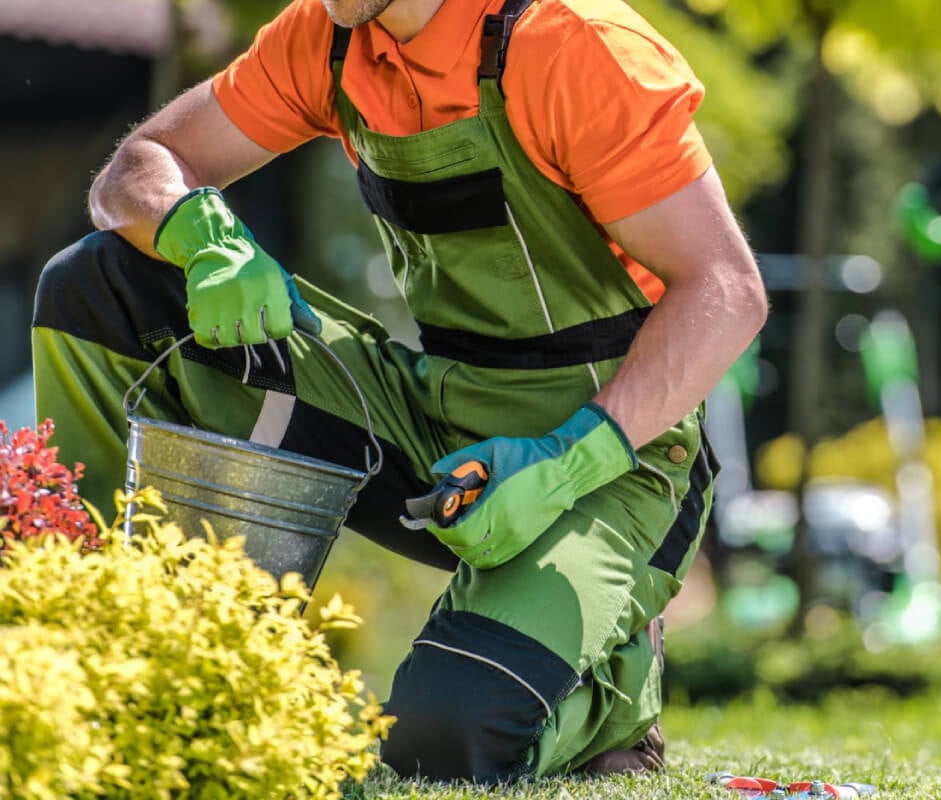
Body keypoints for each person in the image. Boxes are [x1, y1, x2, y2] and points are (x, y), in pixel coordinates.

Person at [31, 0, 768, 783]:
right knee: (97, 287)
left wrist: (565, 462)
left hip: (616, 460)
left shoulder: (577, 48)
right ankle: (116, 647)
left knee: (440, 740)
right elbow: (137, 167)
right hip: (434, 421)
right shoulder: (328, 35)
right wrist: (200, 234)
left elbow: (728, 288)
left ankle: (614, 699)